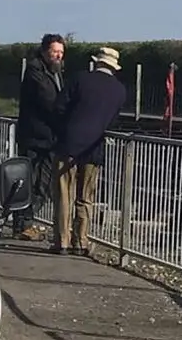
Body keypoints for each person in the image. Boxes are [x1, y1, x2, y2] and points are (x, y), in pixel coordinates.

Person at [53, 46, 127, 255]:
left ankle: (62, 241)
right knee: (85, 197)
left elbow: (59, 107)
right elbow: (112, 122)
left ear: (97, 62)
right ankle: (81, 241)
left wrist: (62, 130)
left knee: (64, 193)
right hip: (95, 147)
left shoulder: (80, 79)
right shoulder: (119, 90)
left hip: (68, 143)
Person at [12, 33, 67, 239]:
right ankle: (23, 223)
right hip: (35, 137)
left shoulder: (55, 72)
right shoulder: (35, 71)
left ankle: (25, 222)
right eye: (54, 51)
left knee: (42, 182)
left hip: (47, 138)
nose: (58, 56)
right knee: (32, 181)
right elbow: (49, 101)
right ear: (44, 51)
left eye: (61, 52)